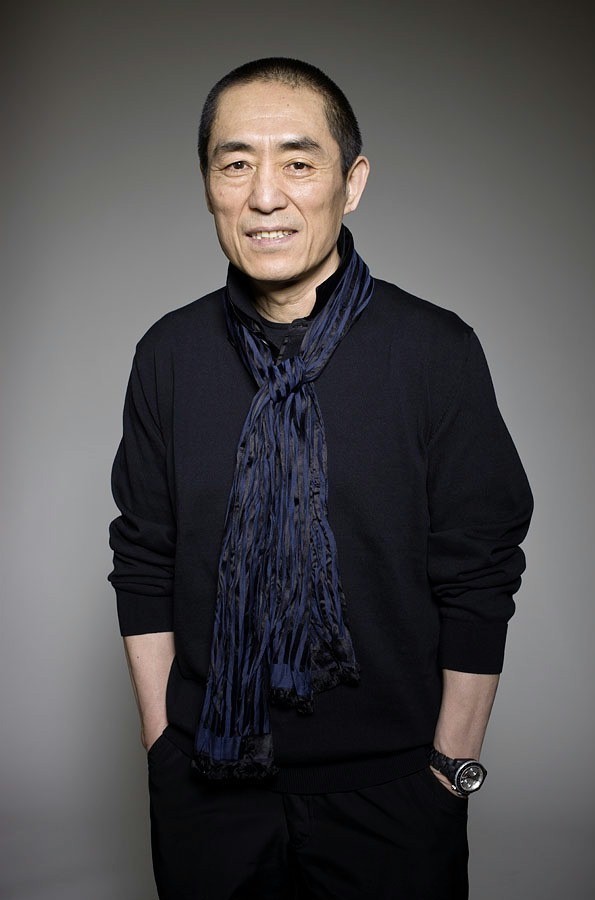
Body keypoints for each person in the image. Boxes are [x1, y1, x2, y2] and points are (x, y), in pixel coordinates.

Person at [109, 57, 533, 900]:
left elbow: (480, 573)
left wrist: (450, 771)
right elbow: (144, 559)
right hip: (207, 790)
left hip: (394, 794)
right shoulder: (169, 355)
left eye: (299, 162)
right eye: (236, 163)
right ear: (208, 186)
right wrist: (162, 746)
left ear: (352, 182)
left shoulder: (435, 353)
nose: (265, 195)